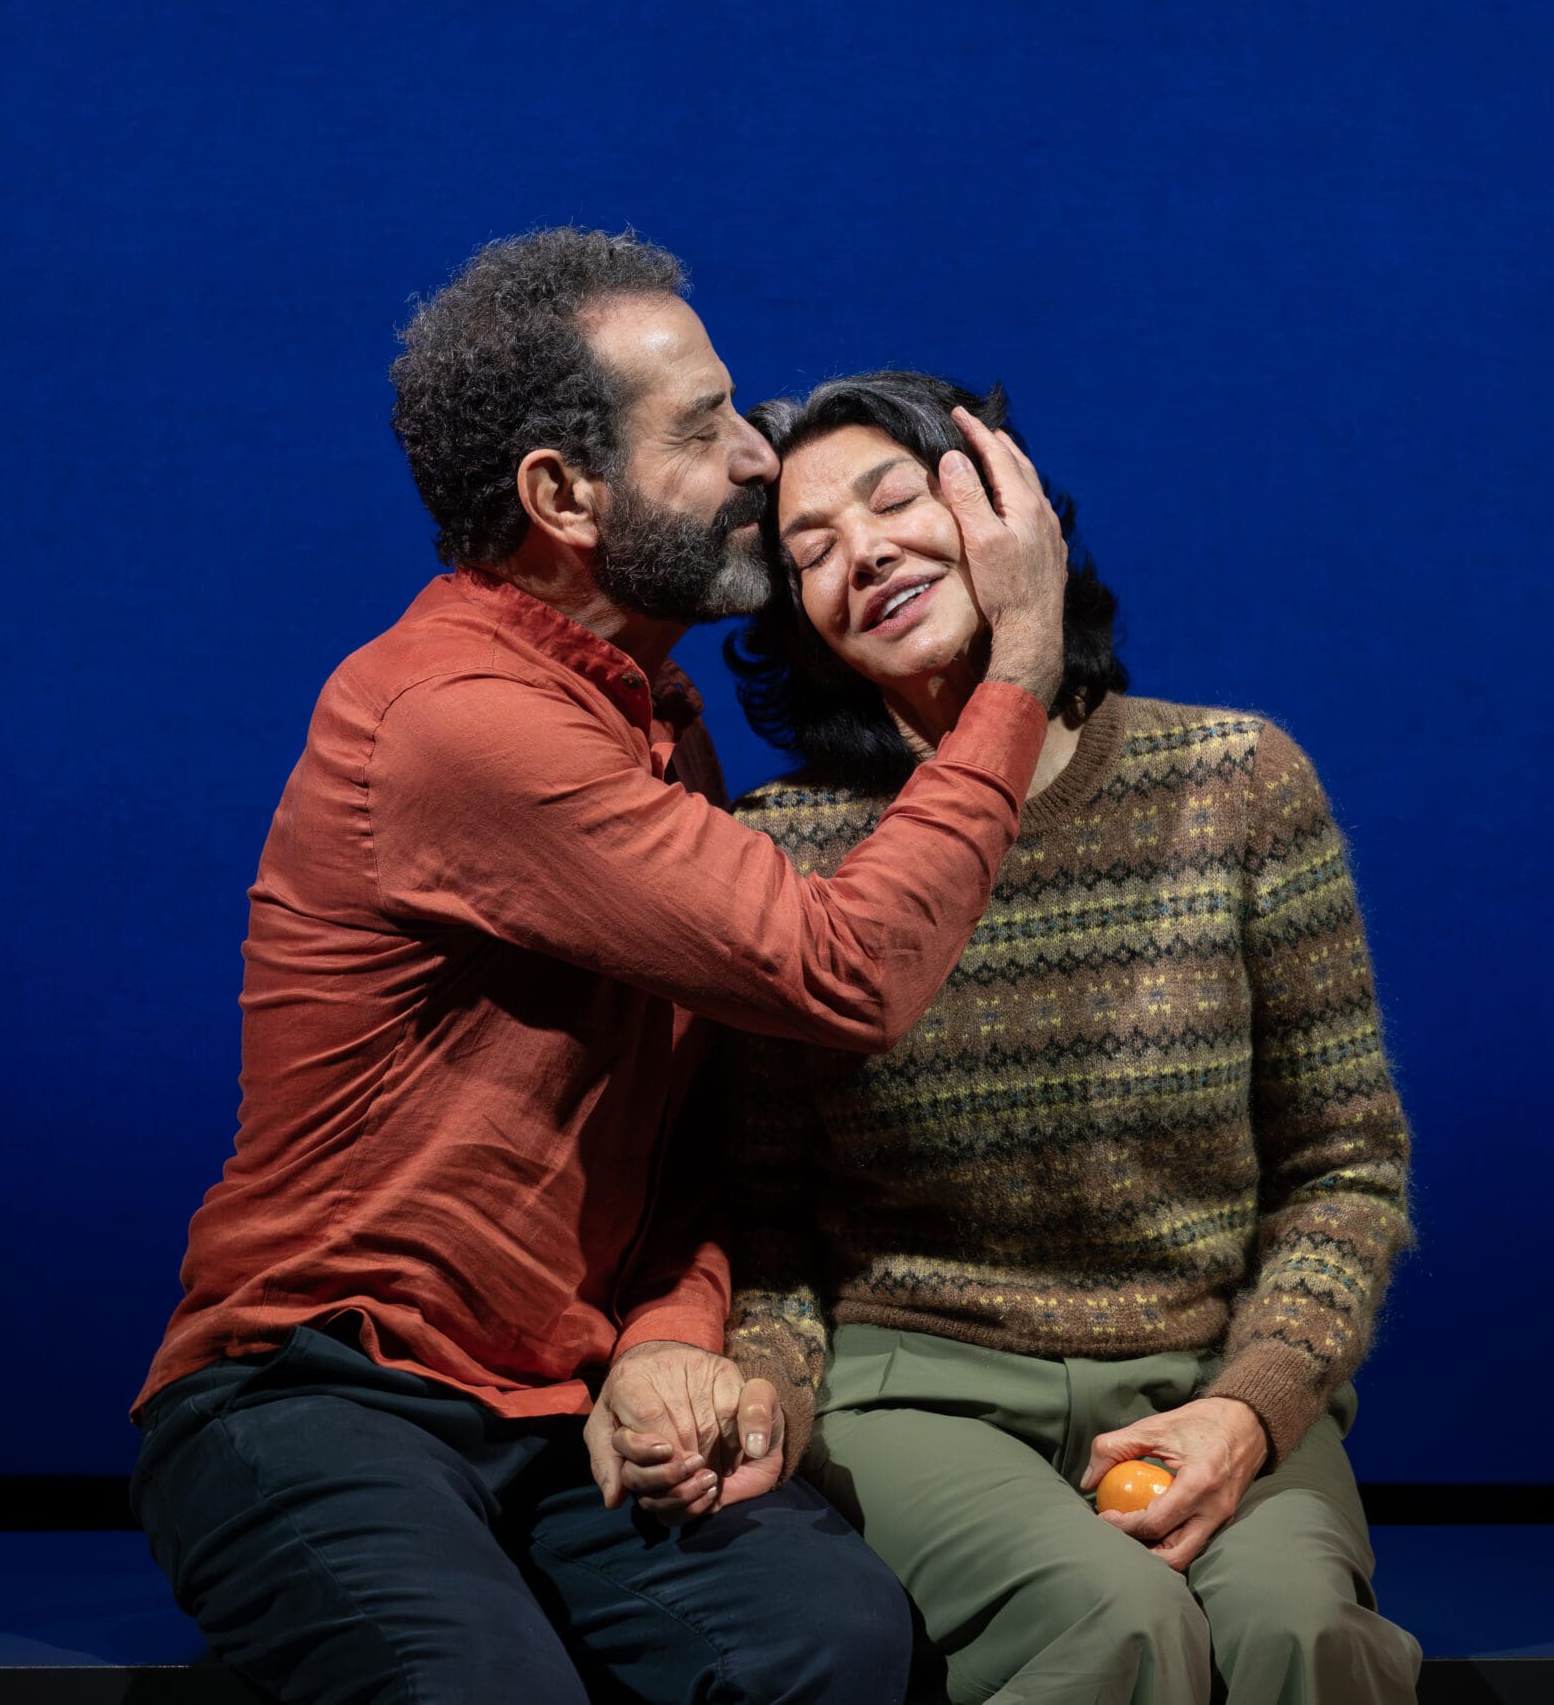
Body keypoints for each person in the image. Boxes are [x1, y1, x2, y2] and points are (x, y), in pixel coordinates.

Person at [127, 234, 1076, 1705]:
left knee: (829, 1645)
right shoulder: (459, 723)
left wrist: (672, 1336)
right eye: (704, 427)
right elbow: (850, 969)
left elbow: (675, 1134)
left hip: (561, 1398)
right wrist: (1019, 664)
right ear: (564, 498)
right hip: (313, 1391)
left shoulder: (658, 724)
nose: (763, 457)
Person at [694, 370, 1422, 1704]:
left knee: (1297, 1637)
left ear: (1013, 505)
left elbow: (1346, 1170)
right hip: (917, 1391)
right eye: (810, 552)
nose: (864, 553)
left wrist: (1251, 1405)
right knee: (1113, 1626)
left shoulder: (1234, 783)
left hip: (1205, 1364)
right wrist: (771, 1395)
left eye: (895, 499)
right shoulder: (777, 852)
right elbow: (764, 1221)